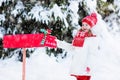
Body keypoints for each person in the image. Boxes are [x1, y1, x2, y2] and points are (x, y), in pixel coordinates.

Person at [70, 13, 98, 80]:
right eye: (83, 25)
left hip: (85, 69)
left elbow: (92, 54)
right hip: (77, 68)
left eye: (86, 25)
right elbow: (72, 48)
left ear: (91, 26)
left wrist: (88, 65)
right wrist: (57, 43)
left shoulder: (92, 39)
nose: (84, 26)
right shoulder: (79, 37)